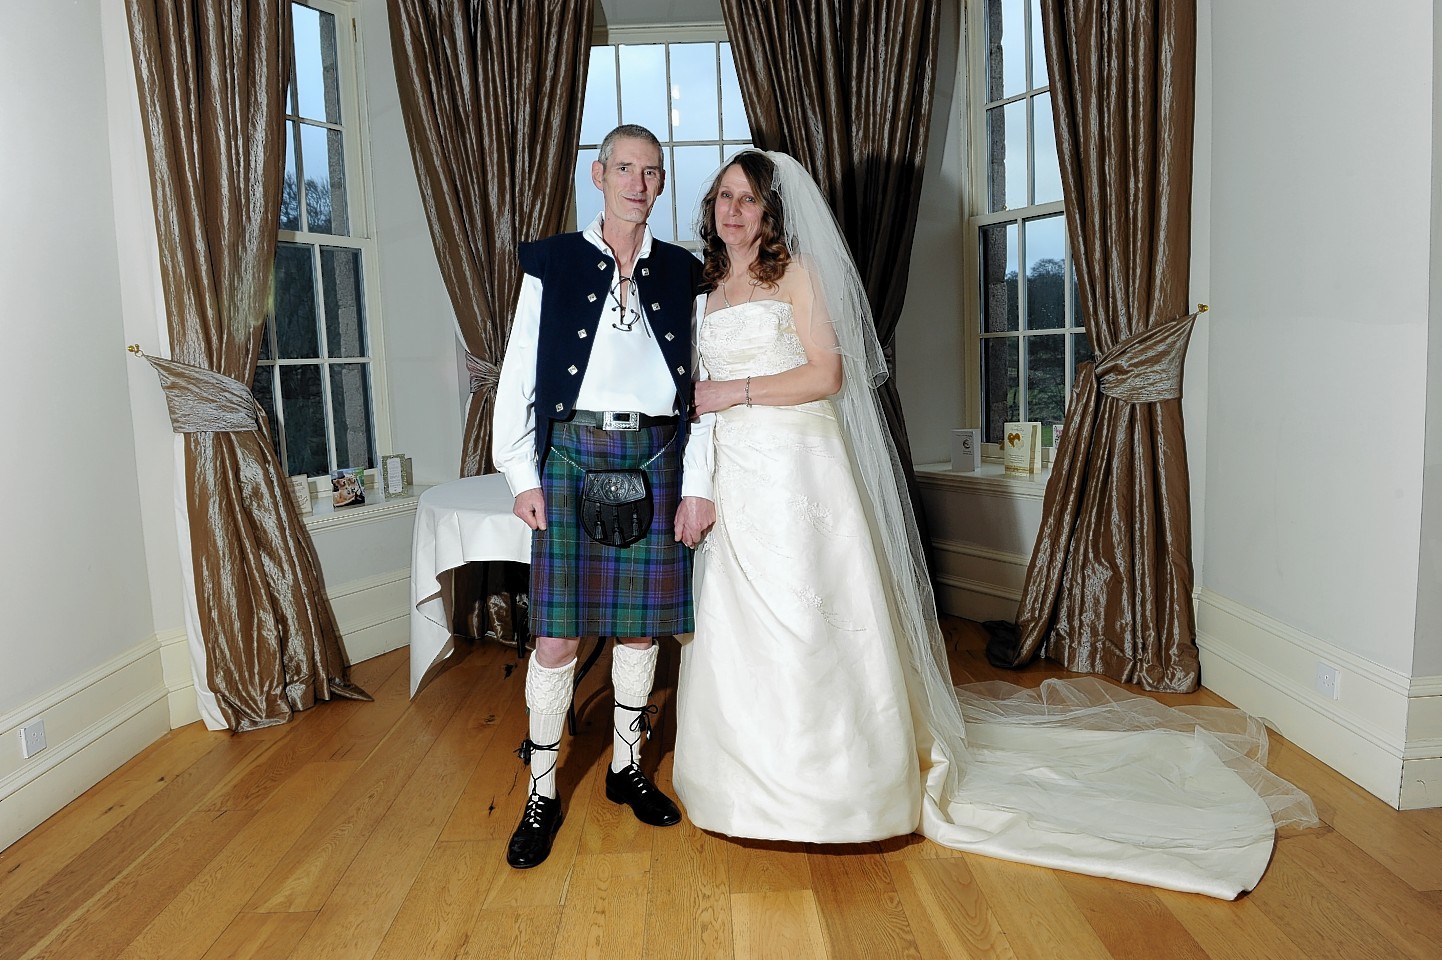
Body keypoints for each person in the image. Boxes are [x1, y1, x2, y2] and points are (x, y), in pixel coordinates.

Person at [672, 150, 1316, 898]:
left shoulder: (802, 276)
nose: (732, 211)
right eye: (723, 197)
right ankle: (744, 784)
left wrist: (737, 391)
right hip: (735, 476)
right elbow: (696, 400)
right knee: (739, 623)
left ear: (773, 211)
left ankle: (837, 786)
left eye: (748, 199)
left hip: (799, 470)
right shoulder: (706, 286)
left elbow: (827, 374)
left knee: (813, 620)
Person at [492, 124, 715, 870]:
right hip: (568, 454)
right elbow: (518, 372)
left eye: (652, 172)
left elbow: (700, 396)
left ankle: (625, 770)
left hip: (657, 453)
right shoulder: (552, 262)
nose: (638, 183)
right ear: (599, 174)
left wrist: (699, 484)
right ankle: (542, 791)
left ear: (661, 183)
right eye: (625, 168)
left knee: (640, 633)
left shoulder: (685, 272)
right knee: (556, 637)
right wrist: (521, 474)